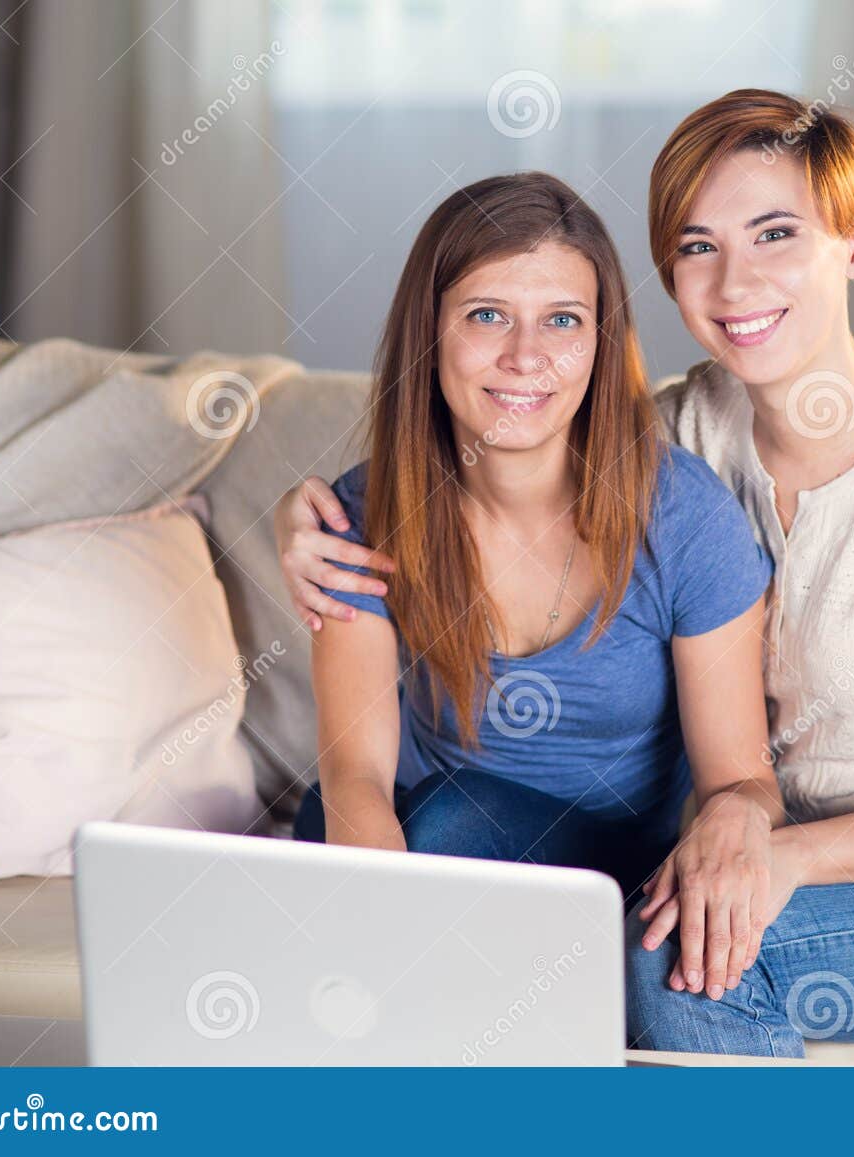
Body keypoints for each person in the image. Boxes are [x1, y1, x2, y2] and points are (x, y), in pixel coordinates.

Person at [277, 93, 854, 1058]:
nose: (736, 279)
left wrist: (771, 846)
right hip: (746, 846)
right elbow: (525, 433)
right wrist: (314, 528)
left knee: (684, 954)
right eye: (699, 246)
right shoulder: (680, 431)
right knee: (473, 855)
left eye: (775, 233)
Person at [292, 171, 786, 992]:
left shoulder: (682, 515)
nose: (526, 356)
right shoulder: (366, 514)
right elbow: (356, 776)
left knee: (454, 819)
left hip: (615, 870)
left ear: (600, 343)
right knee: (334, 823)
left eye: (563, 320)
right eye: (488, 315)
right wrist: (379, 915)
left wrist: (737, 820)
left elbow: (743, 782)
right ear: (432, 331)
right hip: (434, 842)